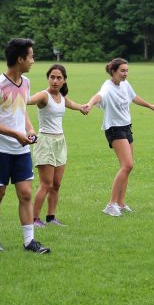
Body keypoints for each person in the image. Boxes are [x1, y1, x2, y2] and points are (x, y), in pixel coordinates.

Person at [0, 38, 50, 253]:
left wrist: (29, 130)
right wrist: (14, 134)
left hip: (21, 149)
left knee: (26, 194)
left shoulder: (26, 82)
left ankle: (29, 242)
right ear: (20, 59)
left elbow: (22, 110)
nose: (33, 60)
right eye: (30, 56)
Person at [84, 58, 154, 217]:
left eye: (127, 70)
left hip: (126, 127)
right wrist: (89, 105)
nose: (125, 74)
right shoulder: (107, 87)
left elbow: (134, 97)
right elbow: (98, 96)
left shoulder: (125, 84)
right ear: (113, 71)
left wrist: (150, 106)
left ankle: (121, 203)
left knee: (126, 168)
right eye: (122, 71)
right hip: (114, 128)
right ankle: (111, 205)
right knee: (127, 165)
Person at [27, 64, 89, 227]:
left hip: (60, 142)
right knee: (46, 184)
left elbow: (71, 103)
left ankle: (51, 217)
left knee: (56, 185)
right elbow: (27, 101)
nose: (55, 81)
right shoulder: (43, 95)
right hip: (45, 142)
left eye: (58, 78)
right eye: (52, 77)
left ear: (64, 80)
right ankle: (34, 219)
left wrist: (82, 107)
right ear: (48, 78)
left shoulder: (61, 97)